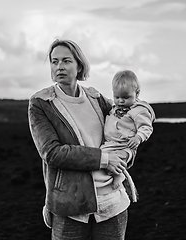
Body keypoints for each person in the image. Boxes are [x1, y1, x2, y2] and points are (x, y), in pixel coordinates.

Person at [28, 39, 135, 240]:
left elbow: (125, 130)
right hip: (70, 207)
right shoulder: (42, 104)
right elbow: (52, 153)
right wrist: (104, 159)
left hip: (113, 204)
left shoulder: (96, 99)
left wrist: (126, 155)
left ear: (79, 66)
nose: (59, 66)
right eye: (54, 61)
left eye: (66, 61)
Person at [101, 70, 155, 194]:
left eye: (126, 97)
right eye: (117, 97)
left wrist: (138, 138)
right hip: (111, 143)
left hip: (125, 145)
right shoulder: (116, 108)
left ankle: (119, 177)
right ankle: (114, 177)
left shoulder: (138, 110)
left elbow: (146, 127)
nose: (120, 101)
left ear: (137, 93)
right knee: (101, 158)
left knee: (114, 160)